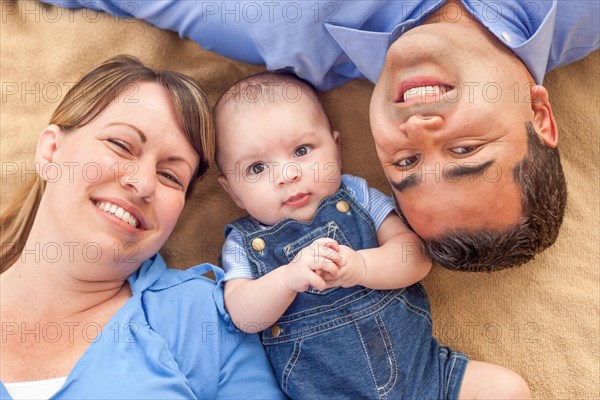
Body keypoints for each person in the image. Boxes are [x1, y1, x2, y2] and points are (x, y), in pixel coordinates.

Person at [40, 0, 599, 271]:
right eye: (464, 150)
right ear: (540, 117)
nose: (418, 130)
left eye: (403, 163)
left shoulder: (283, 32)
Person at [214, 72, 530, 399]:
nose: (287, 175)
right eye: (256, 168)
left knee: (506, 389)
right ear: (232, 191)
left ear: (335, 148)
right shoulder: (244, 242)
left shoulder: (358, 197)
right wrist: (286, 280)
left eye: (302, 151)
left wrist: (361, 267)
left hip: (426, 378)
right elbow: (242, 315)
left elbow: (415, 257)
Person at [0, 55, 285, 399]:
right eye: (121, 146)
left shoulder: (208, 320)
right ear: (51, 151)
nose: (143, 183)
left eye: (170, 176)